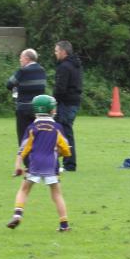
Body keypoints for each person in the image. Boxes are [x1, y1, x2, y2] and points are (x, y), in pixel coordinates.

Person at [6, 95, 71, 232]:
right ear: (51, 110)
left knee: (24, 190)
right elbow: (65, 147)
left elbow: (24, 148)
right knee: (56, 194)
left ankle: (17, 215)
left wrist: (18, 165)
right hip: (51, 164)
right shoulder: (56, 127)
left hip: (34, 163)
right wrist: (62, 153)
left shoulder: (32, 127)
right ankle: (64, 224)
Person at [6, 49, 47, 150]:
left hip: (24, 108)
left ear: (27, 58)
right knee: (38, 137)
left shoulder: (23, 71)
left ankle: (28, 163)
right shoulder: (42, 70)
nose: (20, 60)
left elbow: (9, 84)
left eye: (21, 57)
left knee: (24, 138)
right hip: (38, 109)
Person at [53, 40, 82, 172]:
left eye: (57, 51)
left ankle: (69, 163)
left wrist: (54, 102)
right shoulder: (76, 65)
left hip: (65, 103)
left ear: (63, 52)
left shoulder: (64, 67)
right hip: (74, 102)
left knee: (64, 132)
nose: (55, 53)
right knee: (66, 132)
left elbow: (60, 89)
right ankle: (67, 162)